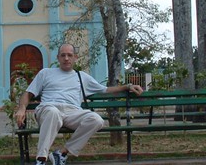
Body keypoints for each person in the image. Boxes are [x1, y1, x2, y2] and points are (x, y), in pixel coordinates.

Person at [14, 43, 144, 165]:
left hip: (73, 112)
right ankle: (41, 159)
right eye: (63, 55)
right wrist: (21, 108)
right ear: (58, 57)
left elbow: (105, 89)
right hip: (49, 109)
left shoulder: (81, 76)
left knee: (96, 120)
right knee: (53, 112)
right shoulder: (45, 73)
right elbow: (28, 93)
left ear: (75, 57)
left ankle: (62, 153)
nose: (66, 58)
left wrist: (128, 86)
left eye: (70, 55)